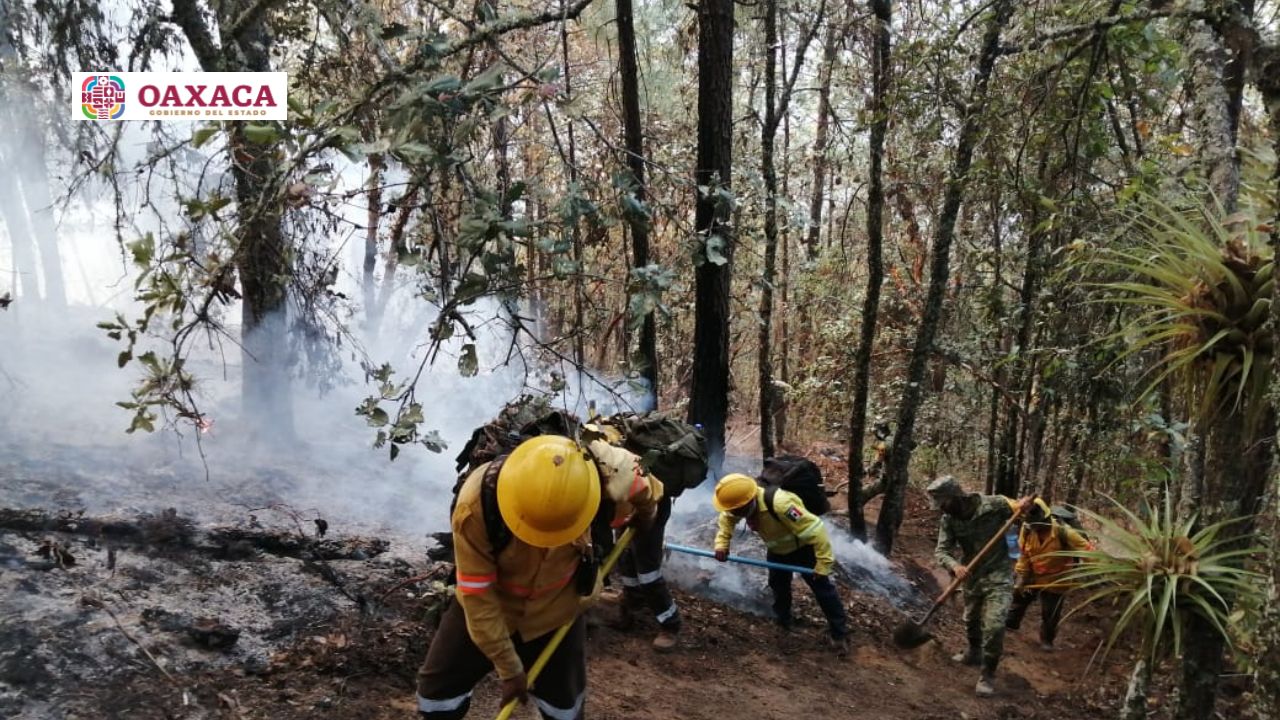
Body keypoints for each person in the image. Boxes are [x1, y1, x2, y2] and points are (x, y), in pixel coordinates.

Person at [415, 435, 662, 719]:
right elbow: (477, 595)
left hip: (559, 611)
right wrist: (510, 670)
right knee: (437, 695)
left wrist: (646, 512)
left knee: (565, 708)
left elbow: (645, 483)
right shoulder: (476, 505)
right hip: (493, 606)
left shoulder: (607, 471)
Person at [711, 473, 850, 654]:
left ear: (749, 501)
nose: (734, 514)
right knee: (778, 585)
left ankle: (839, 634)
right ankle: (783, 620)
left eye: (737, 510)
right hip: (777, 551)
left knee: (822, 590)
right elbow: (726, 520)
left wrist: (823, 564)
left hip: (804, 550)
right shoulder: (736, 506)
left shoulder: (781, 504)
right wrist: (722, 544)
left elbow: (817, 530)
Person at [927, 475, 1033, 697]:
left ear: (956, 497)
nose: (941, 509)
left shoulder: (994, 505)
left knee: (994, 626)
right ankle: (974, 652)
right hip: (971, 576)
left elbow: (1023, 510)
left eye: (943, 503)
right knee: (971, 620)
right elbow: (942, 551)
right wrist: (955, 566)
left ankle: (988, 675)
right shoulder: (948, 520)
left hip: (999, 574)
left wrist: (1025, 507)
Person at [587, 422, 683, 651]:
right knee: (626, 561)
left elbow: (647, 498)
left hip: (651, 503)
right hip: (627, 506)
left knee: (647, 570)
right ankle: (631, 607)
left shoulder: (625, 473)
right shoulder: (592, 471)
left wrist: (643, 520)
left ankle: (670, 624)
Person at [1005, 498, 1092, 651]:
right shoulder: (1027, 530)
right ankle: (1011, 624)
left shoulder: (1065, 533)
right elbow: (1023, 554)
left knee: (1050, 612)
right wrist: (1021, 576)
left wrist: (1101, 569)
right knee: (1019, 598)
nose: (1036, 528)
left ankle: (1047, 640)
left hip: (1057, 579)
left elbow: (1088, 551)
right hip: (1033, 574)